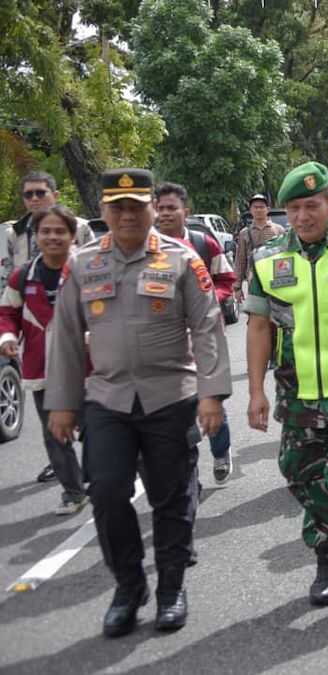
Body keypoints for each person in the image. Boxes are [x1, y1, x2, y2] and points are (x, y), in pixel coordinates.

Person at [45, 168, 231, 637]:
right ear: (104, 212)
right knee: (106, 492)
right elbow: (64, 335)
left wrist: (212, 395)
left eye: (136, 205)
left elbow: (208, 327)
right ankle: (129, 587)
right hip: (107, 398)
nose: (127, 214)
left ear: (151, 207)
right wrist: (62, 405)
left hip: (171, 396)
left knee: (172, 498)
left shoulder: (182, 260)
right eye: (117, 207)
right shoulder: (83, 264)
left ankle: (170, 588)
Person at [245, 162, 328, 611]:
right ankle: (327, 560)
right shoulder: (268, 260)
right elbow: (259, 327)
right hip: (297, 392)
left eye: (312, 205)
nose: (303, 216)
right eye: (294, 208)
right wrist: (255, 392)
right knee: (302, 475)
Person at [3, 170, 97, 484]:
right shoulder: (12, 233)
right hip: (35, 320)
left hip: (80, 329)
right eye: (28, 194)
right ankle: (65, 470)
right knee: (51, 411)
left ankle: (101, 460)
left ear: (54, 195)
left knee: (92, 411)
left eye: (40, 193)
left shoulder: (81, 228)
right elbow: (7, 281)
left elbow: (98, 271)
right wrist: (8, 332)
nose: (34, 199)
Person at [154, 182, 239, 486]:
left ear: (185, 211)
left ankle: (220, 452)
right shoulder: (148, 249)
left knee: (210, 399)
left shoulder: (204, 244)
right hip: (168, 345)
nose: (165, 214)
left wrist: (206, 300)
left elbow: (227, 279)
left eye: (171, 208)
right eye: (160, 208)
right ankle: (187, 476)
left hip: (204, 336)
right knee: (175, 409)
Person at [233, 193, 285, 304]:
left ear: (267, 209)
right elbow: (240, 260)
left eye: (261, 207)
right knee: (256, 314)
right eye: (255, 207)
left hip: (275, 280)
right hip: (254, 281)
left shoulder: (279, 230)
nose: (258, 210)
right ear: (251, 210)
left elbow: (286, 257)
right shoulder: (244, 233)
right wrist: (237, 287)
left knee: (277, 314)